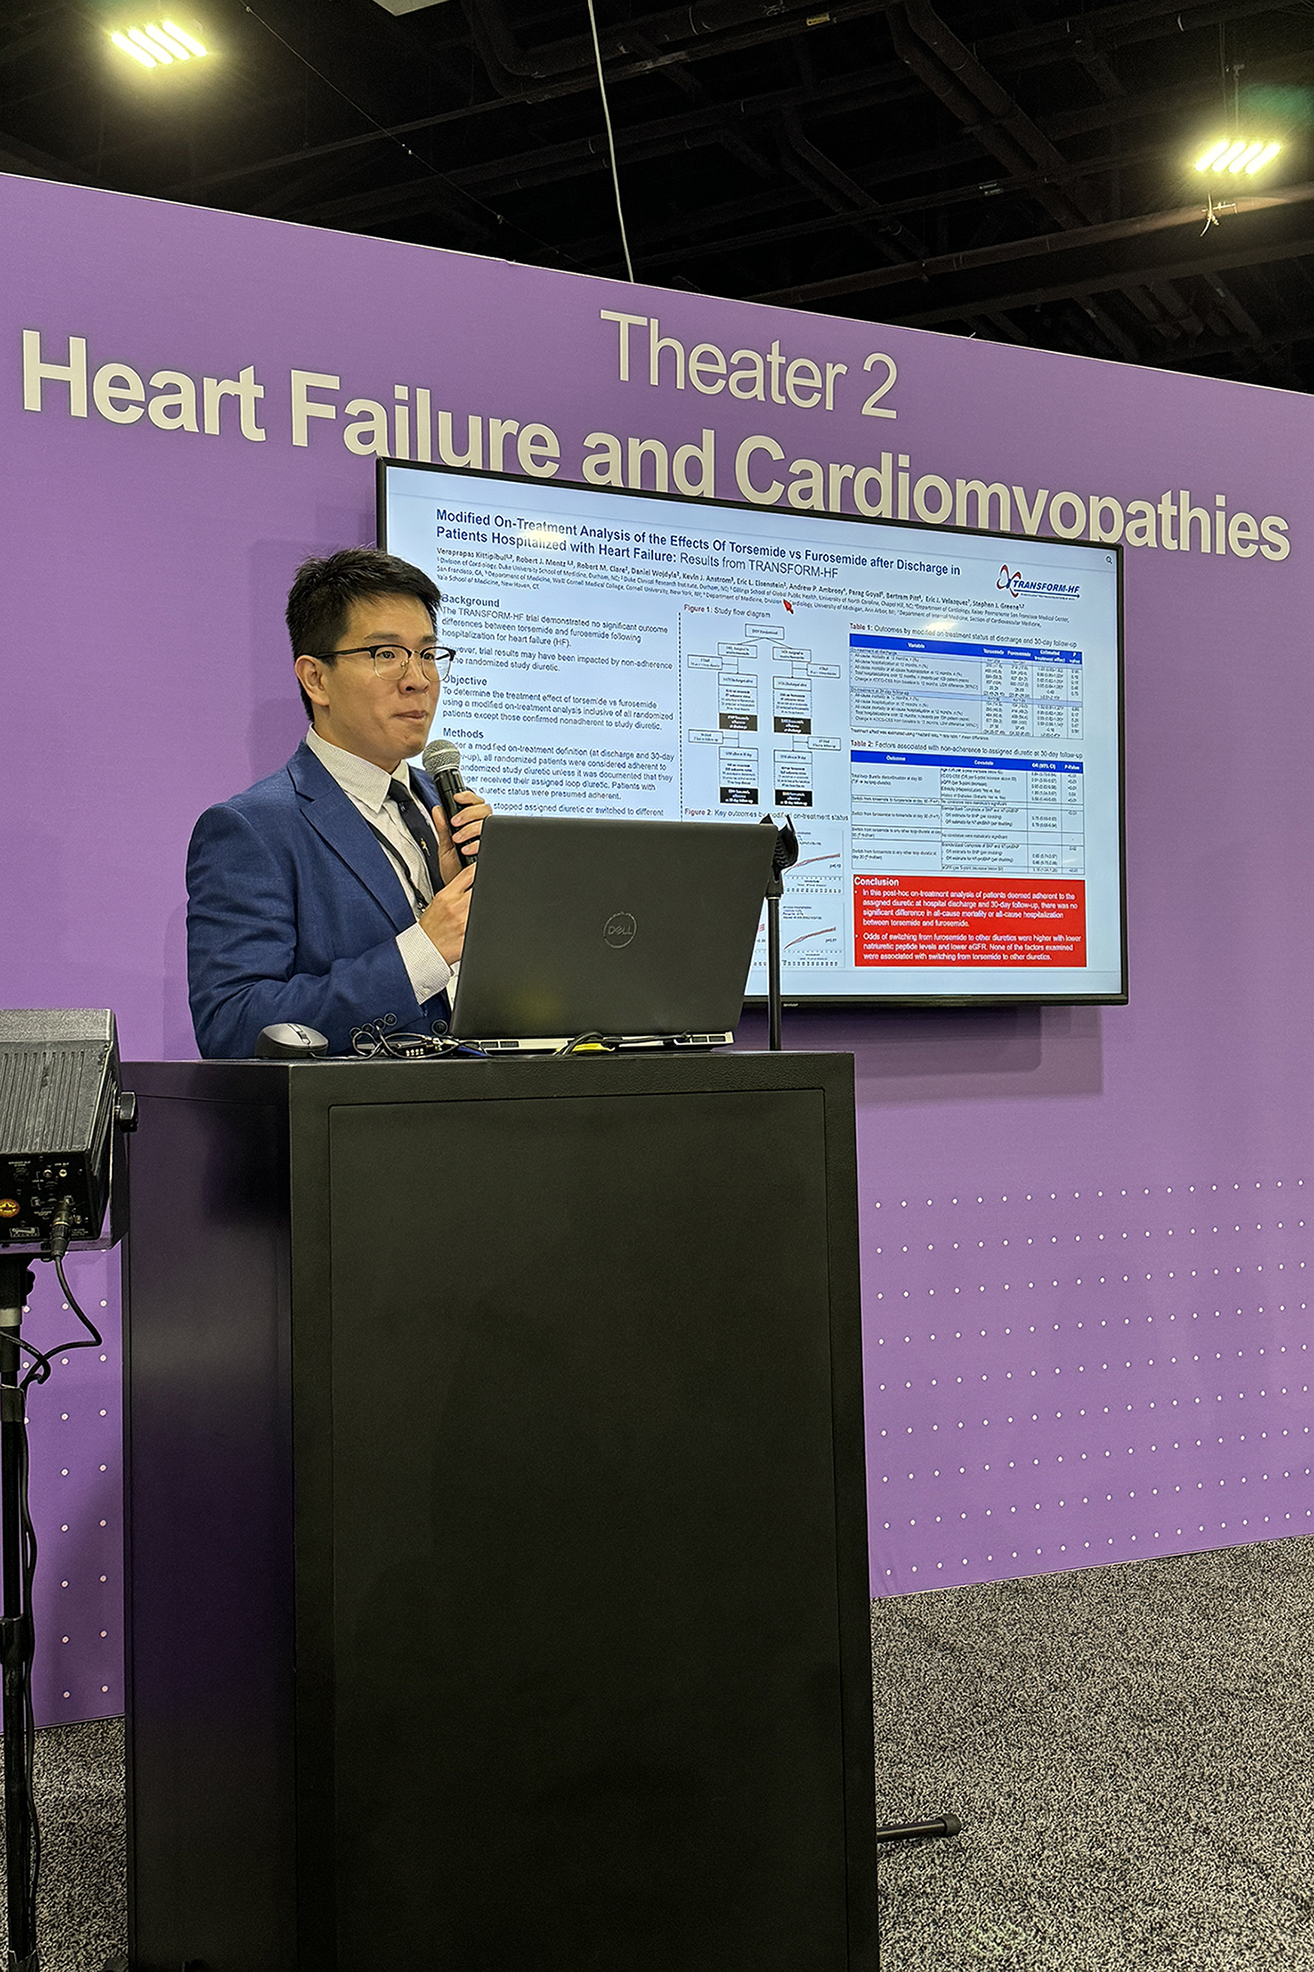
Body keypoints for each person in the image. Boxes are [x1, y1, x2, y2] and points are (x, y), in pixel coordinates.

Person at [186, 547, 490, 1057]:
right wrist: (424, 951)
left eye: (428, 653)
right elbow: (233, 1026)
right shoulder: (252, 828)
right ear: (316, 679)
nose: (418, 678)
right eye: (385, 654)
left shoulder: (448, 810)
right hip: (365, 1127)